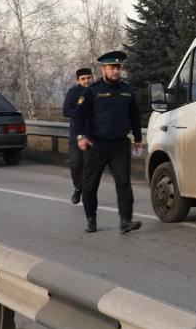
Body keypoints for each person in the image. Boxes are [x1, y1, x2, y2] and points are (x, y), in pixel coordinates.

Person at [74, 50, 143, 234]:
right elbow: (78, 116)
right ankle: (91, 218)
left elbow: (134, 116)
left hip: (119, 145)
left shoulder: (127, 91)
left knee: (123, 183)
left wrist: (138, 139)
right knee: (90, 185)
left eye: (118, 68)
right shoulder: (92, 91)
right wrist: (80, 136)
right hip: (96, 145)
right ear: (104, 68)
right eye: (112, 68)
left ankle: (125, 221)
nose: (116, 71)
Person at [61, 67, 93, 204]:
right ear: (78, 80)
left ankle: (88, 192)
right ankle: (78, 188)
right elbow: (66, 111)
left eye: (88, 78)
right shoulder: (73, 92)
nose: (86, 81)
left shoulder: (97, 91)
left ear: (92, 77)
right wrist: (80, 113)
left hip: (93, 133)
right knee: (76, 164)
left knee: (90, 165)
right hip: (77, 133)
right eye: (83, 79)